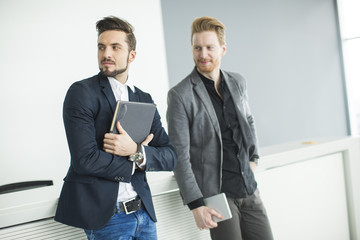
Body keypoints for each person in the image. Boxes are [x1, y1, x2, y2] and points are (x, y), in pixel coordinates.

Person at [55, 16, 177, 240]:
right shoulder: (81, 93)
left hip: (144, 215)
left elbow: (170, 156)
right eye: (101, 47)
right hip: (108, 219)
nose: (106, 54)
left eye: (115, 47)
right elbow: (85, 159)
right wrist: (133, 162)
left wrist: (135, 151)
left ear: (132, 55)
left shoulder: (144, 98)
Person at [166, 16, 273, 240]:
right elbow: (179, 155)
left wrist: (254, 157)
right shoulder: (180, 95)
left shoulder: (238, 82)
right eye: (197, 48)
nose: (203, 54)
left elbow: (249, 120)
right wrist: (196, 204)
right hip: (218, 196)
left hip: (249, 188)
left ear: (223, 49)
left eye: (209, 47)